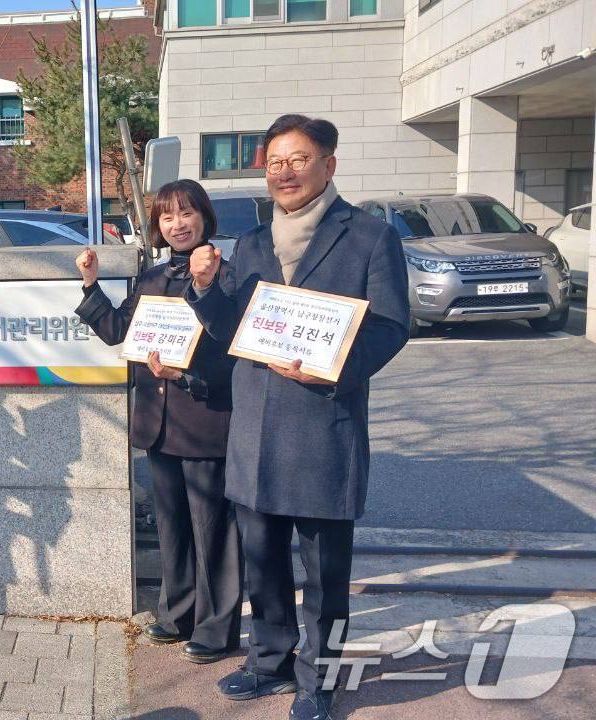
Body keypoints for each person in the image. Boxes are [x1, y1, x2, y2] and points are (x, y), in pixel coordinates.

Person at [186, 115, 409, 720]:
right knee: (262, 561)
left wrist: (333, 369)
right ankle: (270, 661)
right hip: (256, 428)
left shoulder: (367, 236)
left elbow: (391, 326)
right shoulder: (254, 242)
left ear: (329, 165)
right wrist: (206, 290)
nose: (284, 172)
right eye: (275, 162)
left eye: (298, 159)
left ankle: (321, 680)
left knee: (324, 574)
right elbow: (236, 331)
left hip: (323, 426)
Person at [74, 180, 241, 664]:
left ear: (205, 218)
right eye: (167, 217)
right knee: (172, 528)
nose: (178, 224)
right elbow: (116, 332)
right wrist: (90, 283)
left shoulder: (227, 277)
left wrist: (187, 375)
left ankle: (216, 627)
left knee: (214, 532)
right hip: (159, 426)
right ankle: (177, 614)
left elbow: (234, 352)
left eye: (187, 214)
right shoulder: (151, 278)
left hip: (206, 424)